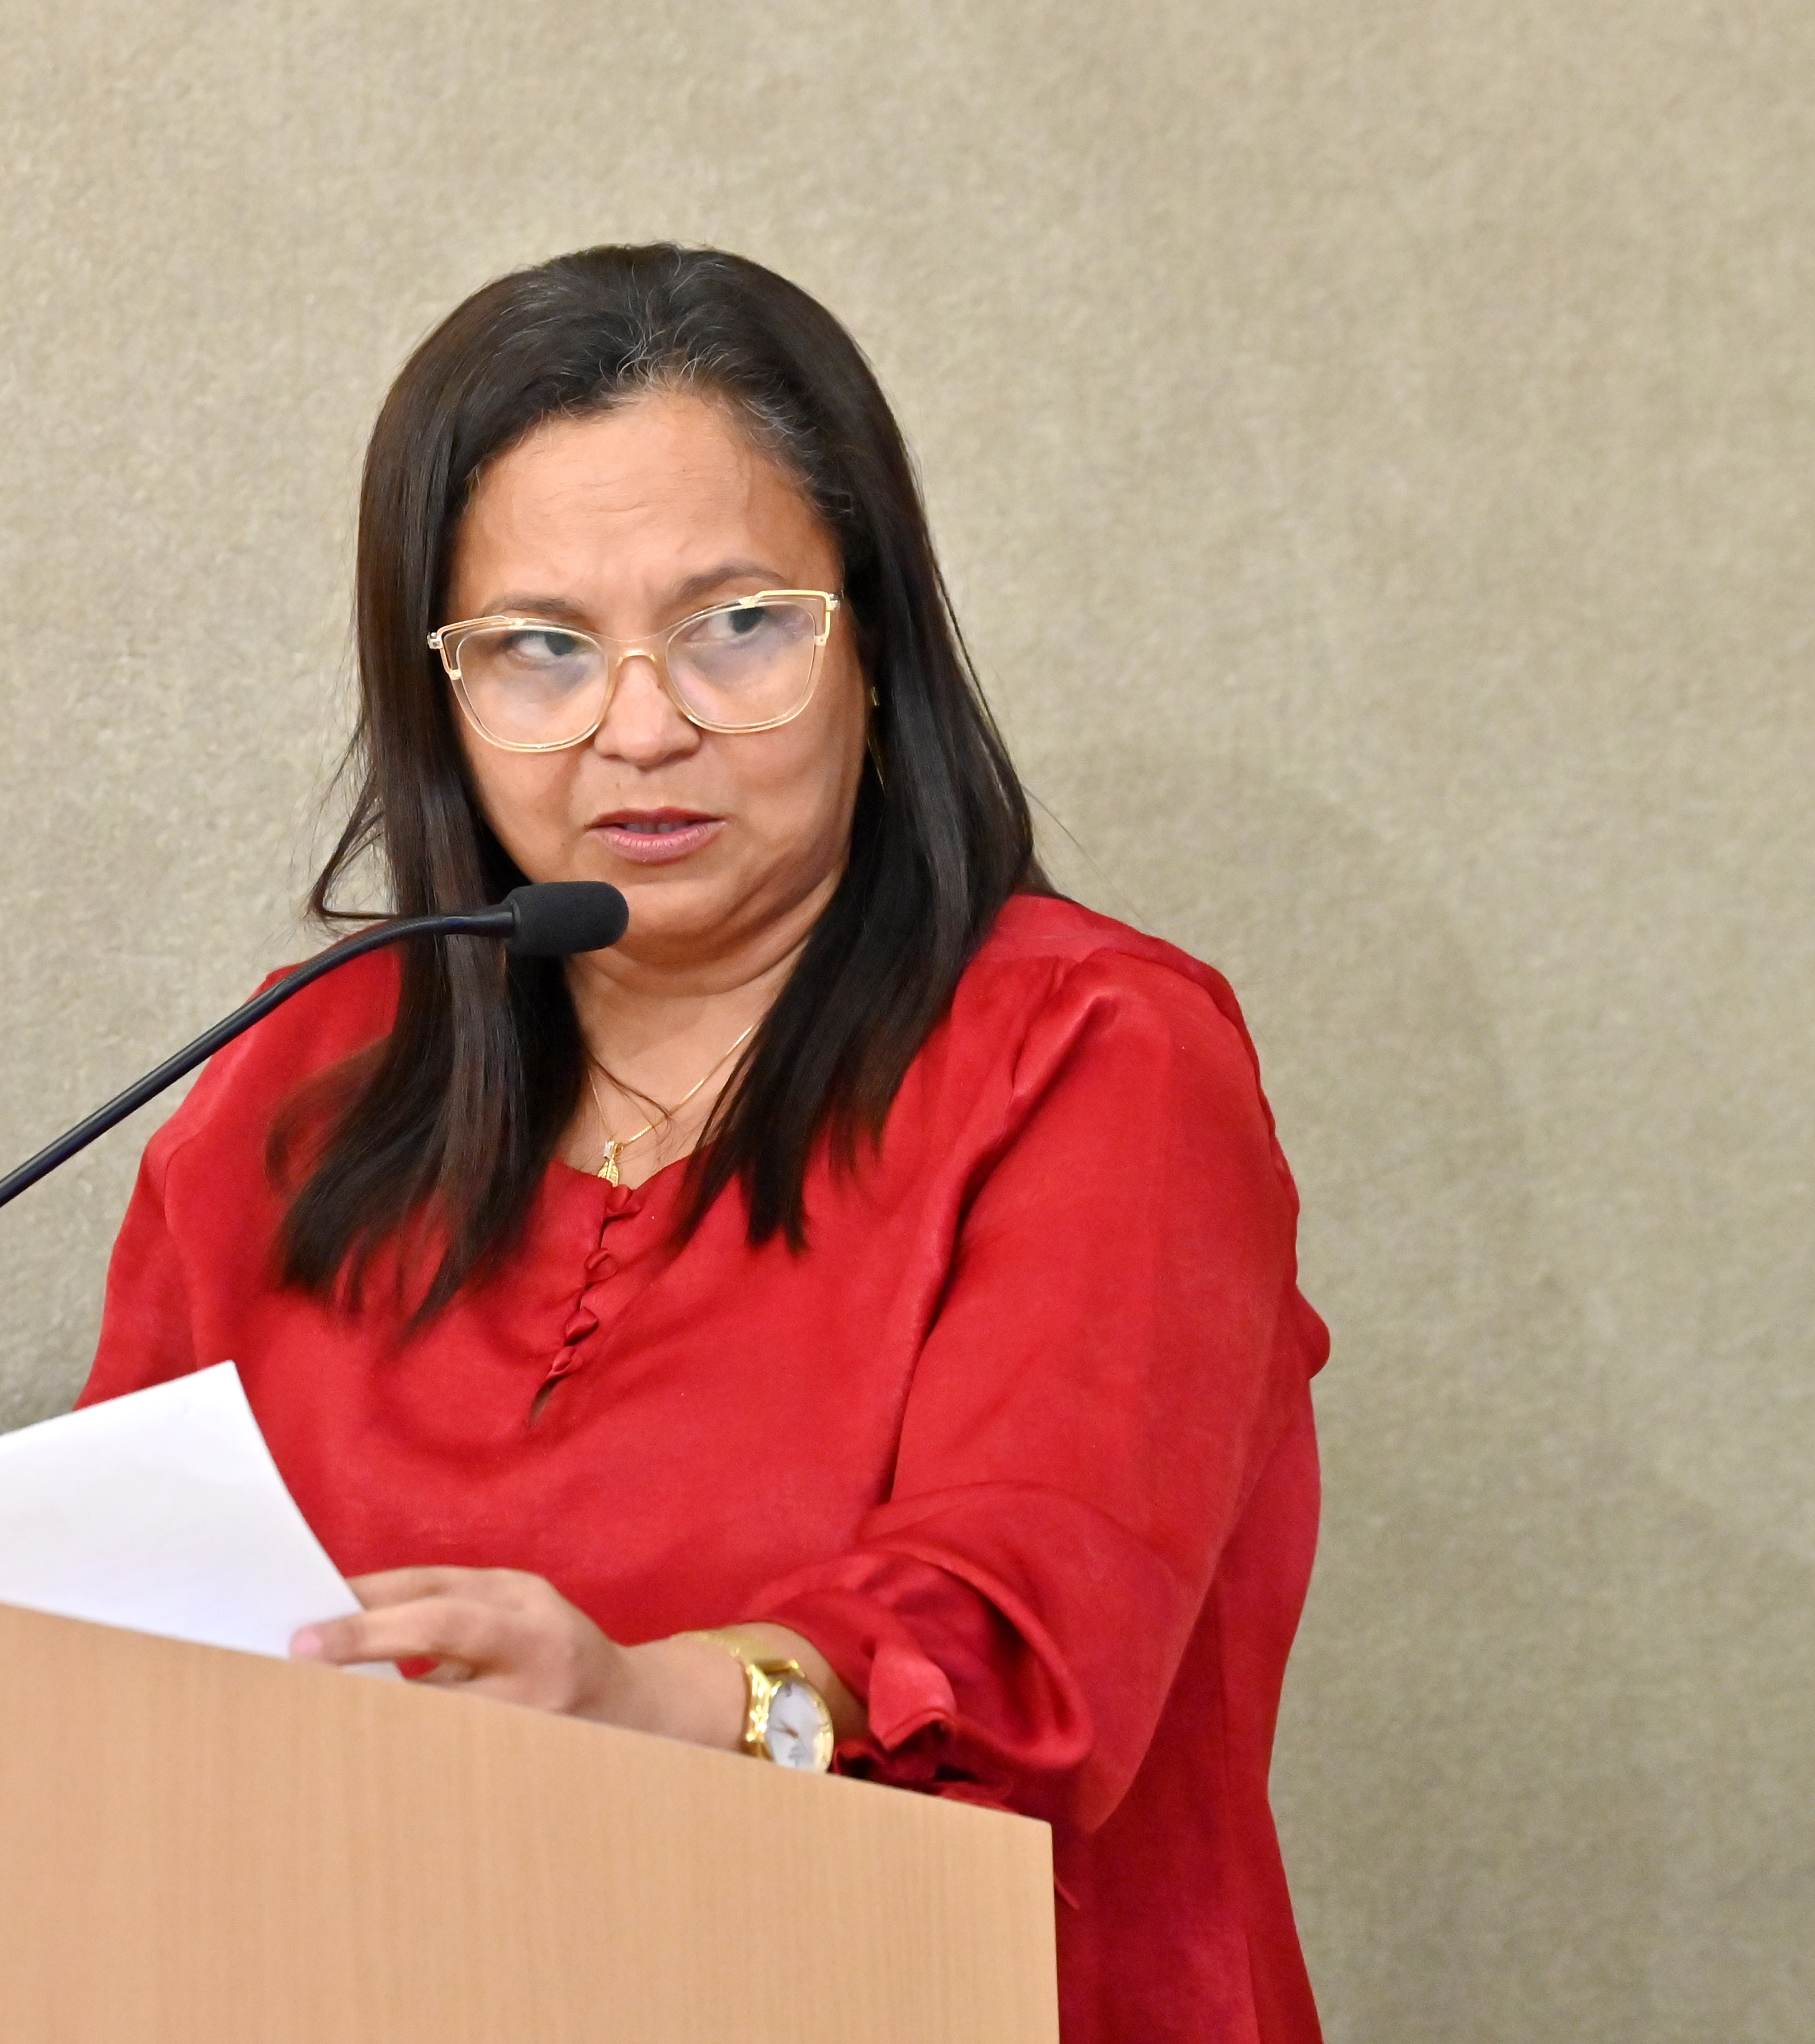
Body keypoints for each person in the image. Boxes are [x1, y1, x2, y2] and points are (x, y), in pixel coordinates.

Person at [80, 243, 1326, 2044]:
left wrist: (654, 1706)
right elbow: (108, 1624)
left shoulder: (1093, 1053)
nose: (643, 727)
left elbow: (1024, 1652)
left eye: (737, 625)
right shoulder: (302, 1075)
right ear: (441, 694)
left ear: (874, 643)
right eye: (541, 649)